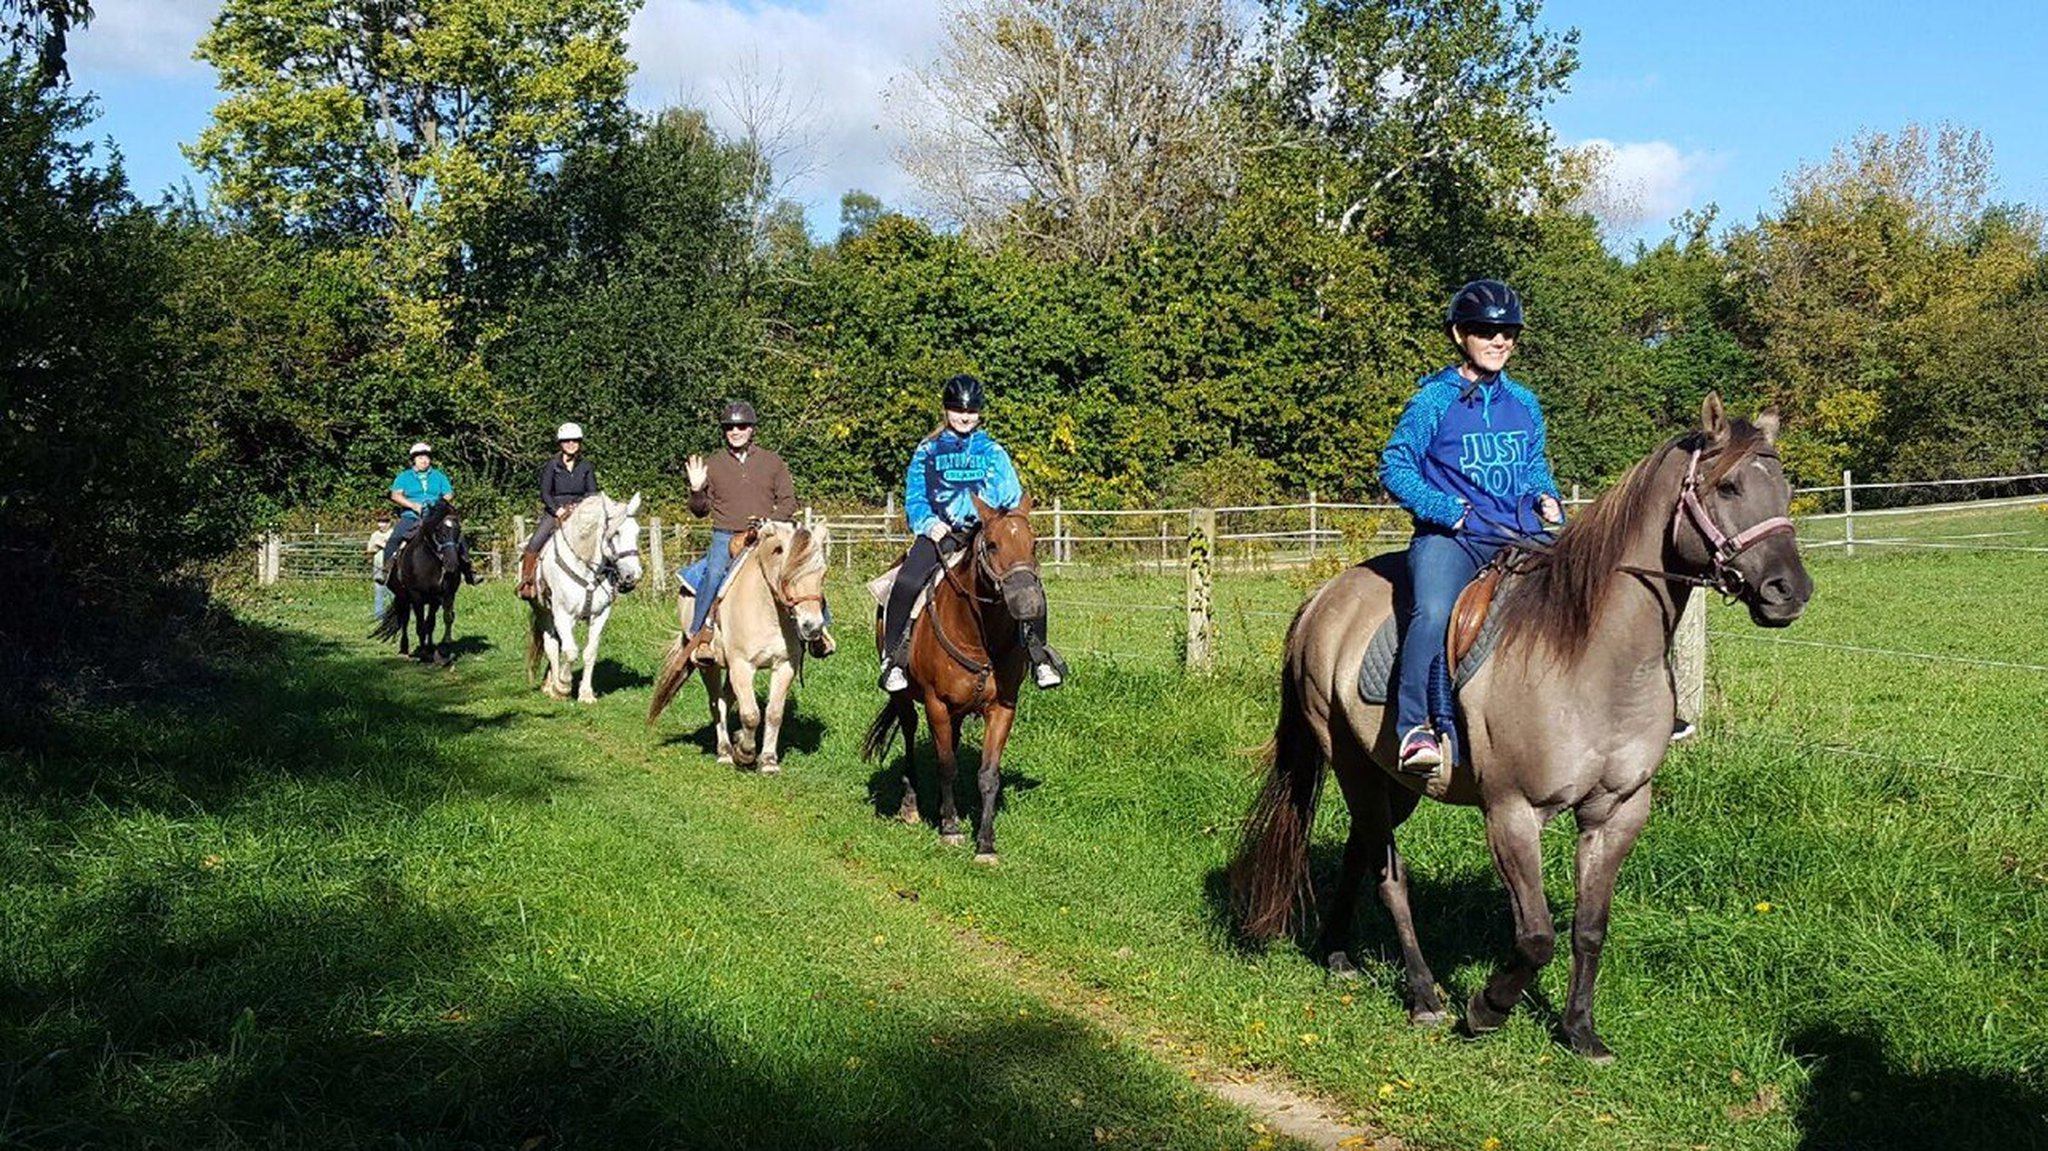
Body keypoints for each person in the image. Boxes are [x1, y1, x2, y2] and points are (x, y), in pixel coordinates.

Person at [1379, 280, 1563, 773]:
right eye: (1486, 331)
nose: (1499, 340)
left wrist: (1547, 496)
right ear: (1461, 334)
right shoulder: (1433, 401)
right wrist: (1446, 510)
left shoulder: (1524, 402)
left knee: (1593, 587)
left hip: (1519, 533)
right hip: (1453, 538)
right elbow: (1395, 466)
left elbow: (1533, 465)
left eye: (1508, 332)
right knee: (1435, 611)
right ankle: (1415, 726)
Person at [877, 373, 1064, 694]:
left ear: (980, 412)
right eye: (958, 410)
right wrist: (927, 524)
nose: (965, 417)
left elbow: (1011, 497)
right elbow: (915, 497)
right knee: (907, 581)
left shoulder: (993, 452)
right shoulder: (928, 450)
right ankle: (893, 659)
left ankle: (1038, 654)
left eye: (972, 411)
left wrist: (1006, 524)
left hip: (987, 535)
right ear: (946, 410)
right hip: (942, 532)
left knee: (1027, 581)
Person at [677, 401, 833, 662]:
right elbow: (700, 510)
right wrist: (695, 490)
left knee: (803, 567)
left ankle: (820, 631)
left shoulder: (772, 461)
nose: (735, 431)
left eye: (742, 426)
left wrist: (770, 522)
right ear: (724, 431)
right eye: (729, 427)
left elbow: (788, 501)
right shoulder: (712, 465)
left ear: (752, 429)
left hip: (769, 534)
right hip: (727, 535)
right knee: (714, 572)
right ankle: (701, 634)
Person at [517, 422, 597, 599]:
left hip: (581, 511)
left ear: (580, 443)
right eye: (566, 440)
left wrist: (581, 506)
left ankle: (610, 579)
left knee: (602, 538)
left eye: (574, 440)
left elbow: (592, 492)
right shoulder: (552, 465)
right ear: (560, 444)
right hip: (556, 510)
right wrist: (557, 510)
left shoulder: (586, 466)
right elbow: (545, 493)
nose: (571, 444)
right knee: (536, 541)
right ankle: (527, 581)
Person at [382, 440, 479, 584]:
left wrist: (438, 504)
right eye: (420, 457)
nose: (424, 460)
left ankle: (469, 571)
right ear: (414, 460)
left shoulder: (439, 476)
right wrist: (413, 505)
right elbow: (395, 495)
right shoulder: (404, 476)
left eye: (426, 457)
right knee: (395, 538)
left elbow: (449, 494)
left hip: (436, 516)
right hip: (411, 516)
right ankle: (386, 571)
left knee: (457, 537)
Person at [367, 512, 393, 617]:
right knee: (379, 590)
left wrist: (383, 545)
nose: (381, 525)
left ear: (389, 523)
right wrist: (375, 548)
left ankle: (393, 612)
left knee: (392, 591)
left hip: (391, 566)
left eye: (384, 522)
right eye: (380, 522)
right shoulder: (375, 535)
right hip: (378, 566)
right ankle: (379, 613)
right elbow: (369, 550)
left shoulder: (393, 533)